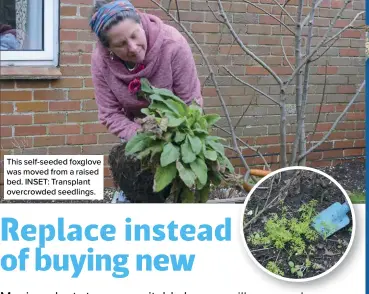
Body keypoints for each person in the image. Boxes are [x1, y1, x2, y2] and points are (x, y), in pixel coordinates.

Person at [89, 0, 203, 203]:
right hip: (137, 131)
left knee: (175, 196)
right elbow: (109, 113)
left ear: (141, 22)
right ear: (108, 48)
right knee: (134, 191)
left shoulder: (173, 45)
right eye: (121, 44)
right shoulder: (101, 60)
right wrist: (142, 135)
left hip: (178, 132)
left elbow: (190, 103)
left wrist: (168, 135)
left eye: (134, 35)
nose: (132, 48)